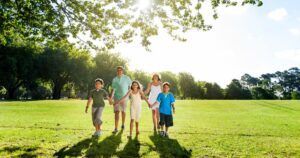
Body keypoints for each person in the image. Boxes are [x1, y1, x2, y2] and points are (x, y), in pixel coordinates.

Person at [110, 66, 132, 134]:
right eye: (118, 70)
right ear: (117, 71)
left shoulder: (126, 78)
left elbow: (131, 87)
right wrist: (111, 97)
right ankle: (116, 128)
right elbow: (113, 89)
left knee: (123, 112)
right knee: (116, 112)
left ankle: (123, 124)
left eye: (120, 70)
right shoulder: (114, 79)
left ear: (122, 71)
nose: (119, 71)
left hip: (125, 98)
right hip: (116, 98)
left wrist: (128, 95)